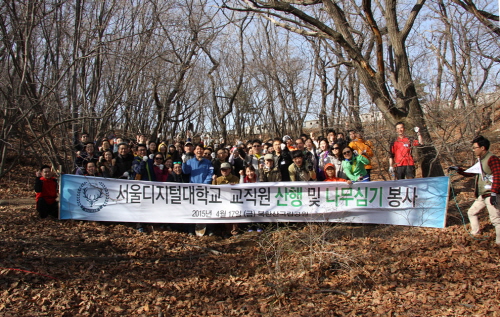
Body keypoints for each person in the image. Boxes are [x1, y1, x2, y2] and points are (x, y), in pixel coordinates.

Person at [453, 136, 500, 246]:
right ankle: (475, 232)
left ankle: (499, 242)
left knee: (496, 219)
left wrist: (494, 193)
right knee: (471, 212)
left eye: (475, 148)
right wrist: (458, 170)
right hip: (483, 195)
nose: (473, 150)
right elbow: (471, 172)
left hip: (491, 194)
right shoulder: (481, 160)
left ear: (483, 148)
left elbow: (498, 176)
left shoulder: (492, 159)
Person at [182, 143, 214, 235]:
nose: (199, 151)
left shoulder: (208, 162)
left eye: (201, 149)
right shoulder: (190, 161)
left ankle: (209, 230)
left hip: (205, 189)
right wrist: (184, 163)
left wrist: (204, 184)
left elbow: (210, 173)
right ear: (194, 151)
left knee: (206, 209)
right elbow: (185, 171)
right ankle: (191, 230)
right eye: (197, 149)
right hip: (193, 189)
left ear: (203, 151)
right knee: (192, 209)